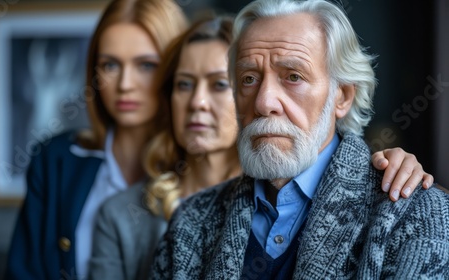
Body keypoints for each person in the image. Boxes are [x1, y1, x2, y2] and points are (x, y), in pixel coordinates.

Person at [88, 15, 436, 280]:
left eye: (293, 77)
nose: (265, 100)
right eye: (249, 79)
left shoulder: (413, 211)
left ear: (342, 95)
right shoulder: (189, 220)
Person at [5, 0, 187, 279]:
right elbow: (23, 272)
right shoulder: (56, 160)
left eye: (146, 65)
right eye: (110, 64)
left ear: (176, 70)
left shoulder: (196, 164)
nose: (125, 84)